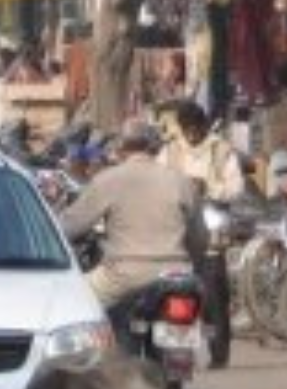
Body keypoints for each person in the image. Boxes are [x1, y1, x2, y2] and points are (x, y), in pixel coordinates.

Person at [59, 120, 206, 311]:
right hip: (176, 275)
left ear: (120, 149)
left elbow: (71, 225)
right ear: (155, 149)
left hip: (122, 278)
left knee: (74, 300)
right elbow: (200, 238)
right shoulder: (181, 181)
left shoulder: (108, 179)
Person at [160, 101, 247, 203]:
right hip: (178, 214)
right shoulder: (170, 151)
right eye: (186, 131)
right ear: (181, 128)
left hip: (214, 210)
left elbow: (236, 190)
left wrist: (209, 188)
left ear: (204, 126)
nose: (191, 138)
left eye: (195, 131)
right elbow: (157, 185)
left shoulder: (221, 150)